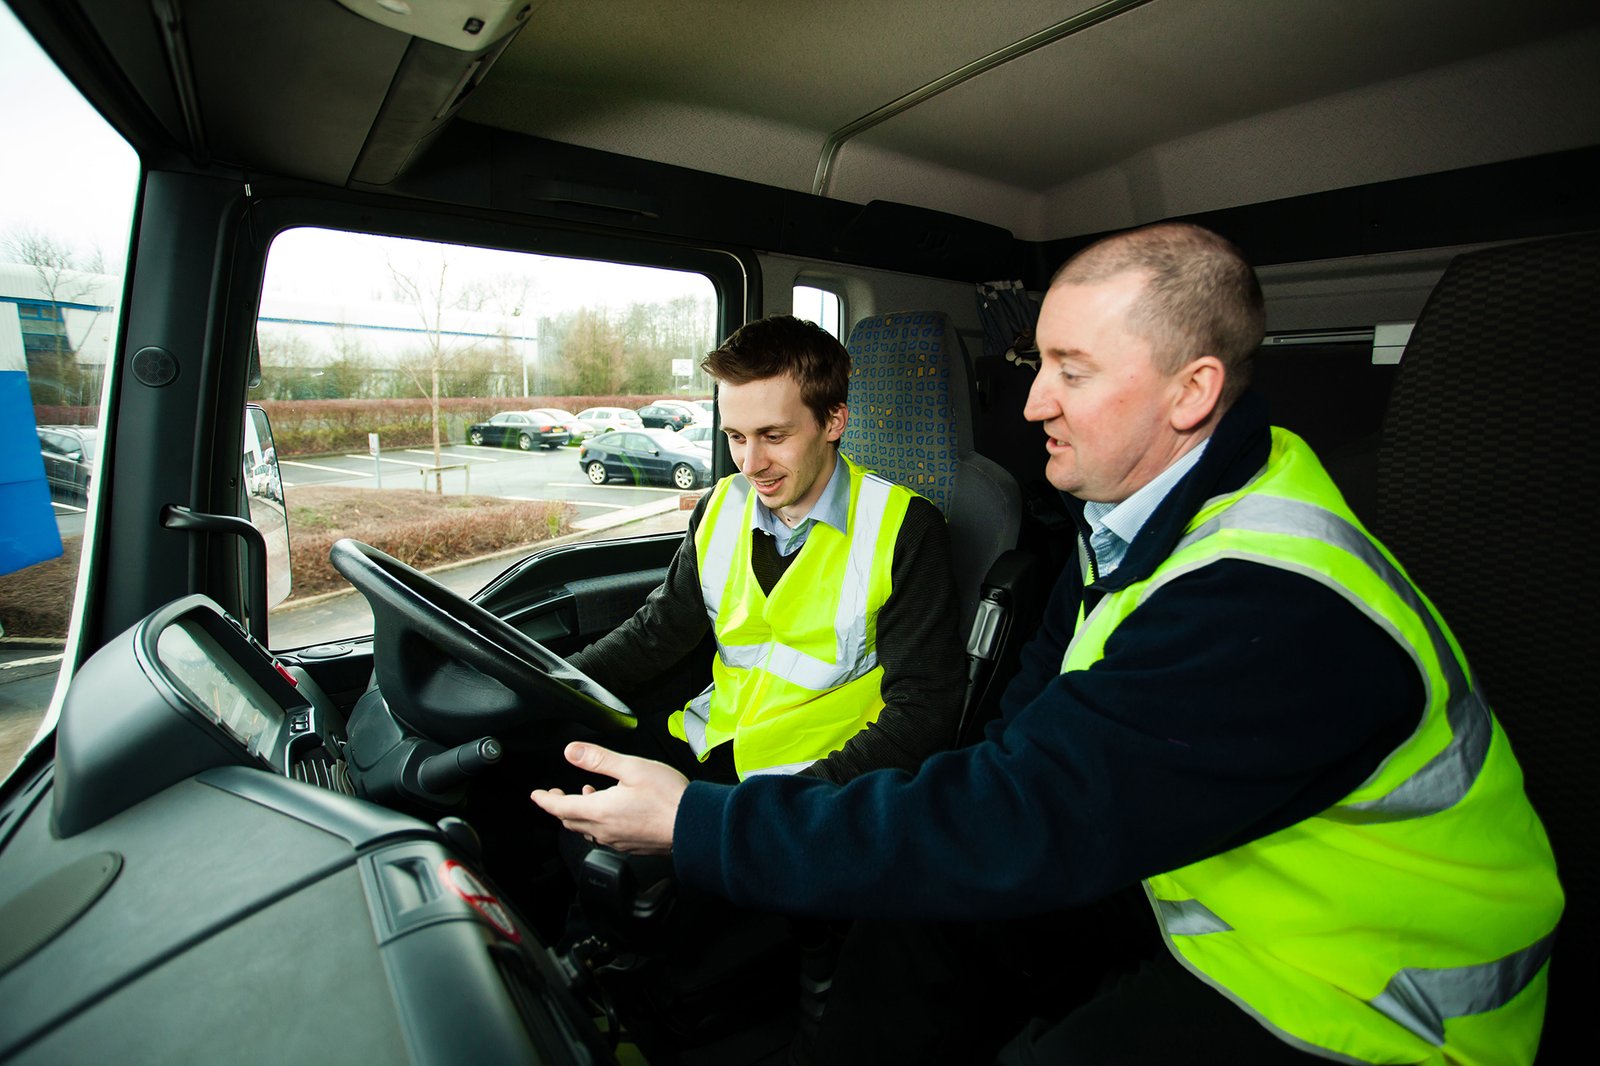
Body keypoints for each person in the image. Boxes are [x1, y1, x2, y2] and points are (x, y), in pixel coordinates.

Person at [533, 223, 1565, 1064]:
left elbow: (1024, 810)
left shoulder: (1275, 604)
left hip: (1354, 993)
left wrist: (704, 823)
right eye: (1040, 364)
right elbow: (1024, 739)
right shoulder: (1124, 523)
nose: (1028, 402)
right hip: (1195, 877)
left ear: (1190, 392)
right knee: (914, 928)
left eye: (1070, 371)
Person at [564, 313, 965, 787]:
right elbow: (658, 631)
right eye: (736, 437)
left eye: (774, 437)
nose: (751, 465)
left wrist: (776, 812)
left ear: (834, 420)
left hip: (816, 778)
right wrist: (556, 683)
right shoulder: (719, 506)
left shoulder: (905, 528)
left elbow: (922, 712)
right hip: (709, 741)